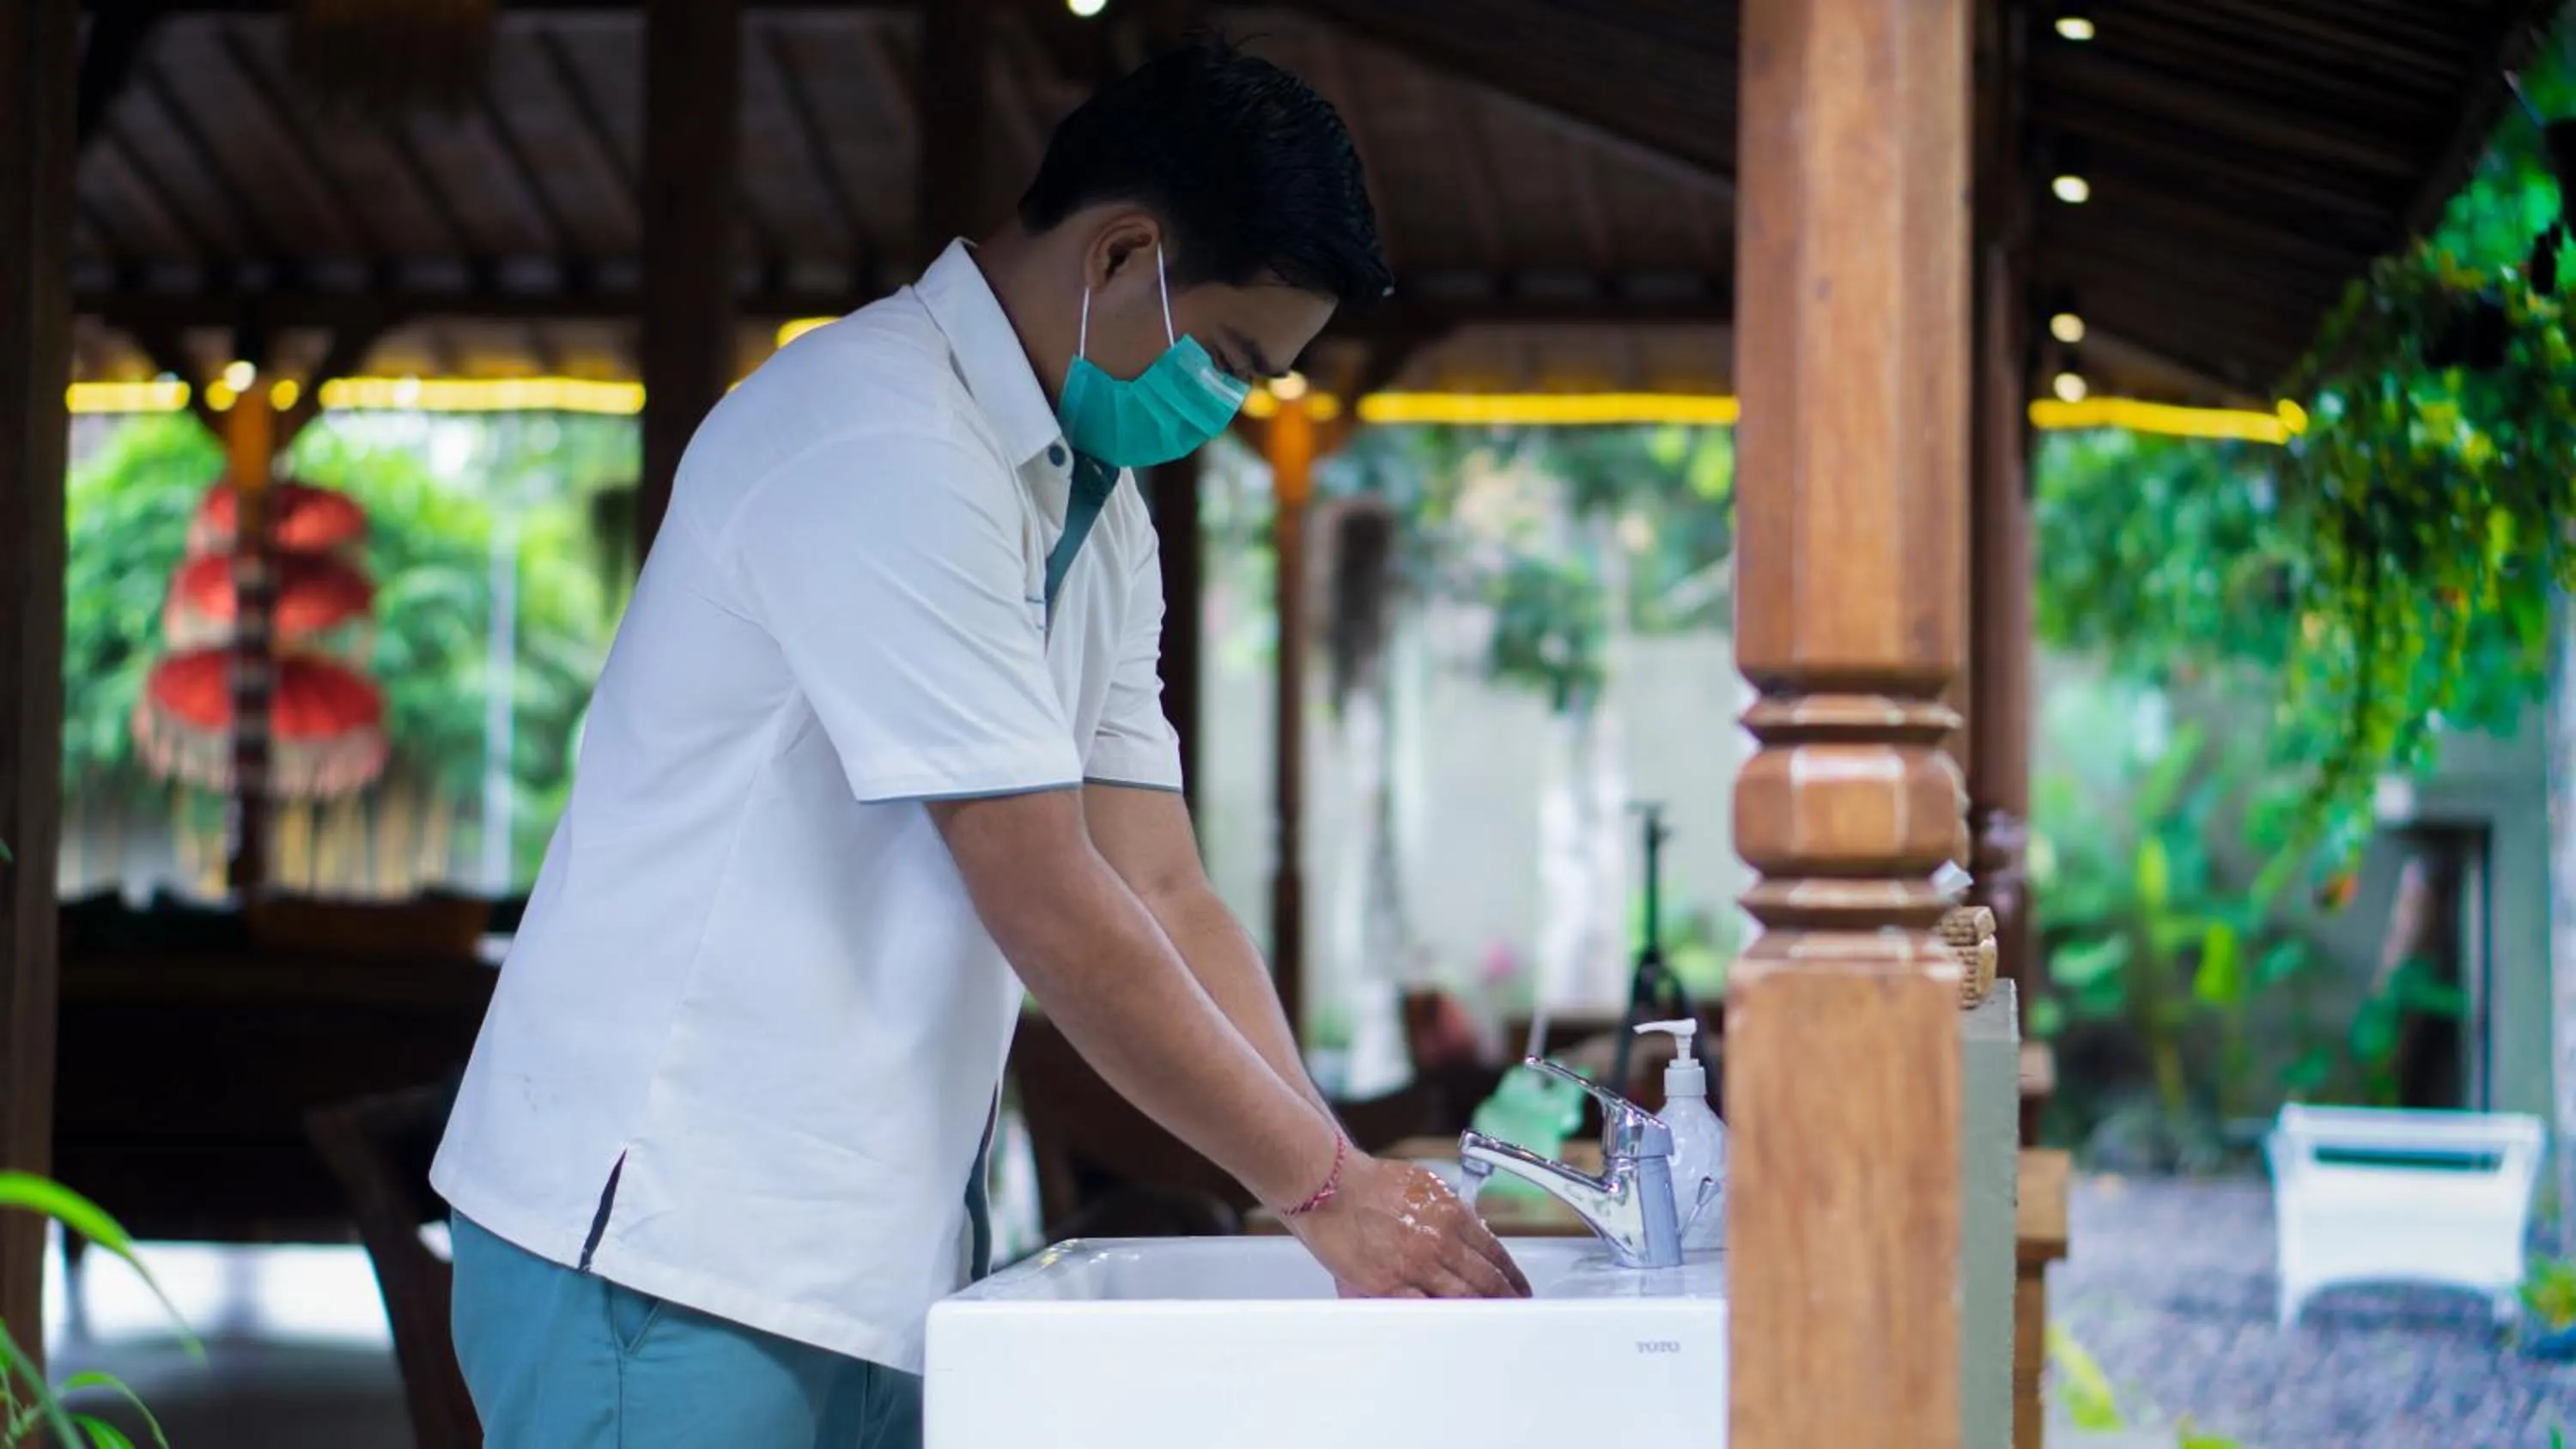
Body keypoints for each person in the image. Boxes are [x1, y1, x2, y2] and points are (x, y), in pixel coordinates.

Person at [430, 35, 1528, 1449]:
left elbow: (1164, 890)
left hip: (859, 1252)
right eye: (1232, 358)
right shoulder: (880, 433)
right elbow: (1047, 897)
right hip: (668, 1242)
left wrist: (1333, 1175)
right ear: (1123, 253)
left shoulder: (1097, 504)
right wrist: (1326, 1191)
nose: (1226, 406)